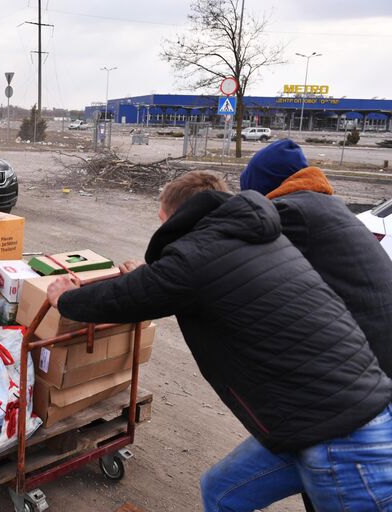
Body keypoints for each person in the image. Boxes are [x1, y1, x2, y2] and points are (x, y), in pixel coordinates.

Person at [46, 171, 392, 511]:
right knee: (223, 493)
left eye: (162, 219)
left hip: (346, 439)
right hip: (313, 421)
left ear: (174, 218)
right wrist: (150, 276)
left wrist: (64, 298)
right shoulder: (258, 237)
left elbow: (130, 297)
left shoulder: (197, 255)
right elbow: (175, 282)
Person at [240, 139, 392, 512]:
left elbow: (241, 262)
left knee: (332, 473)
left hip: (366, 371)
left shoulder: (291, 212)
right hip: (374, 358)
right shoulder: (327, 206)